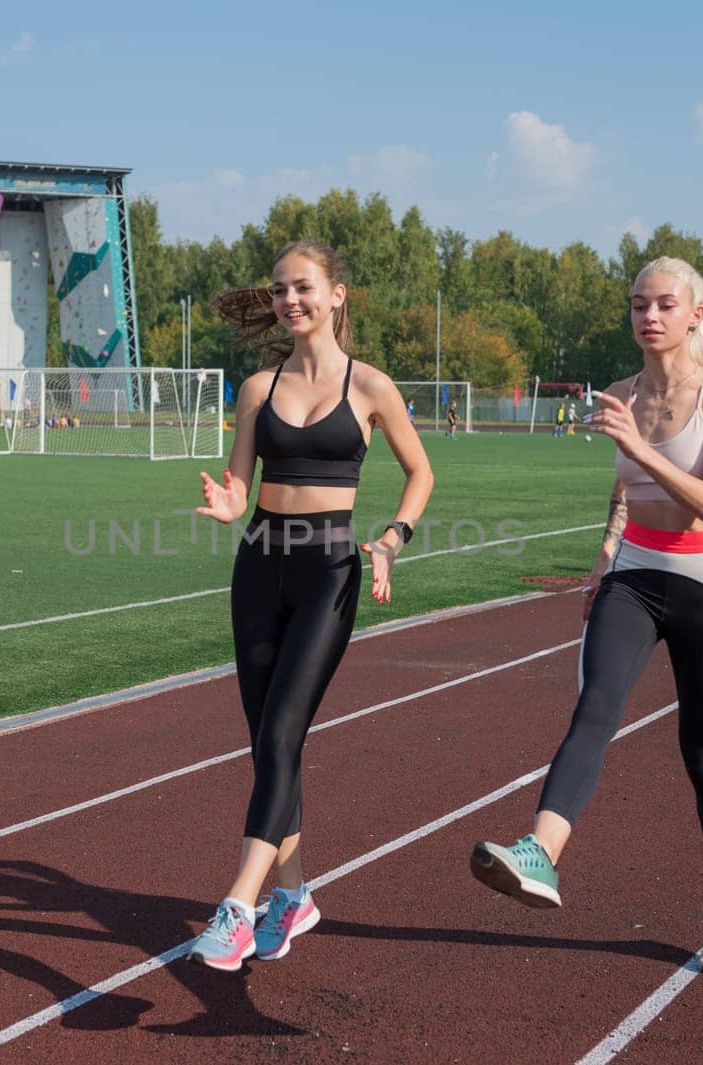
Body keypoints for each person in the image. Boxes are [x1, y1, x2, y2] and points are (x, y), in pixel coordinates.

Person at [469, 256, 703, 974]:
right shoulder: (624, 392)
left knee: (701, 757)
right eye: (637, 305)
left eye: (663, 304)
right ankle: (541, 852)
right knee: (594, 709)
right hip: (634, 570)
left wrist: (637, 447)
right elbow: (624, 488)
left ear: (695, 313)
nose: (648, 317)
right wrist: (605, 550)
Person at [190, 241, 433, 970]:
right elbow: (239, 485)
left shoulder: (373, 388)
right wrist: (228, 502)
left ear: (336, 296)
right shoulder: (257, 389)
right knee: (269, 744)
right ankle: (294, 895)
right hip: (259, 568)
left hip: (330, 570)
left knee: (285, 729)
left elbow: (420, 472)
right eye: (278, 291)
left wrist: (391, 539)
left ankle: (239, 902)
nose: (289, 300)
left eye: (303, 287)